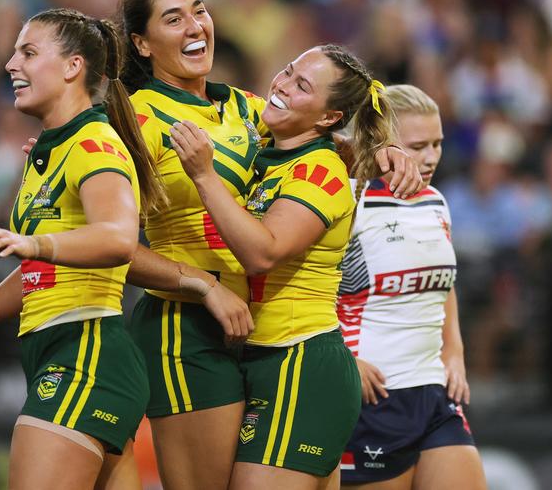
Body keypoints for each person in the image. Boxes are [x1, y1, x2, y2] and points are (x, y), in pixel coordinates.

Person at [109, 0, 422, 490]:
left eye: (199, 9)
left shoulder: (243, 107)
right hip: (182, 327)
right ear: (141, 44)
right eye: (173, 18)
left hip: (252, 339)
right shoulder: (133, 122)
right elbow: (108, 242)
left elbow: (313, 137)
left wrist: (379, 150)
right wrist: (203, 284)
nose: (195, 26)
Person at [0, 8, 172, 490]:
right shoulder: (49, 154)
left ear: (73, 66)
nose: (11, 64)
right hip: (63, 351)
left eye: (28, 52)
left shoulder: (94, 144)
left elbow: (117, 237)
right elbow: (40, 272)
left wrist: (33, 242)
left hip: (84, 351)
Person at [169, 43, 396, 489]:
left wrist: (203, 174)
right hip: (264, 360)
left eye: (302, 86)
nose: (282, 85)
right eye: (288, 71)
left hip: (299, 361)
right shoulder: (273, 154)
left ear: (328, 117)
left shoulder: (321, 172)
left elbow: (262, 253)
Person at [336, 85, 486, 489]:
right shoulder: (348, 202)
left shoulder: (435, 200)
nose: (432, 156)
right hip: (373, 399)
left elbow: (442, 285)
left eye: (437, 143)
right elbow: (302, 289)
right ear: (380, 144)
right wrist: (339, 359)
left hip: (434, 393)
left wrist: (454, 350)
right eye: (418, 146)